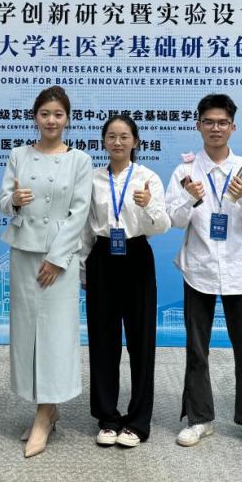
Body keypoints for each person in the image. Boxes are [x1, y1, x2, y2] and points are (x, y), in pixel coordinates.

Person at [165, 93, 242, 452]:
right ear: (198, 125)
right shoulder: (184, 172)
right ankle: (199, 419)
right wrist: (190, 198)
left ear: (233, 127)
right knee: (197, 349)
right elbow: (172, 220)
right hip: (198, 269)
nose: (216, 128)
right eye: (209, 122)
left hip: (238, 270)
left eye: (222, 122)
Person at [0, 85, 93, 458]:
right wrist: (14, 201)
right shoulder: (18, 154)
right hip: (24, 253)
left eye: (58, 114)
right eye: (44, 114)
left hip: (60, 258)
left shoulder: (80, 160)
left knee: (56, 334)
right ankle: (44, 407)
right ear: (34, 117)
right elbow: (3, 201)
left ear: (67, 119)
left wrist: (57, 258)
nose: (51, 120)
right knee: (27, 333)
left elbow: (79, 213)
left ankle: (45, 413)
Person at [81, 115, 170, 448]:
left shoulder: (148, 178)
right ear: (104, 141)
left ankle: (137, 421)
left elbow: (162, 226)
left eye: (124, 136)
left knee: (141, 341)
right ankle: (107, 418)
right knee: (103, 341)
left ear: (135, 141)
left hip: (136, 256)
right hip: (102, 257)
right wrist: (83, 270)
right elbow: (86, 229)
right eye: (111, 136)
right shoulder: (92, 179)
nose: (117, 142)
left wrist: (148, 207)